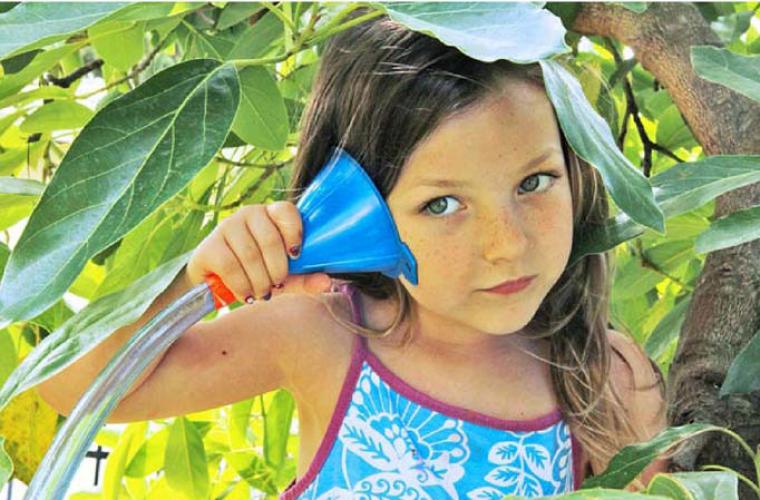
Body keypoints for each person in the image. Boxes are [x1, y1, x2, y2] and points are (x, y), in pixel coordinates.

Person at [37, 7, 669, 498]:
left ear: (577, 170)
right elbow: (73, 391)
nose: (507, 246)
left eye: (534, 183)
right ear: (355, 212)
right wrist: (192, 282)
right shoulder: (325, 338)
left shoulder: (606, 373)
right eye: (442, 204)